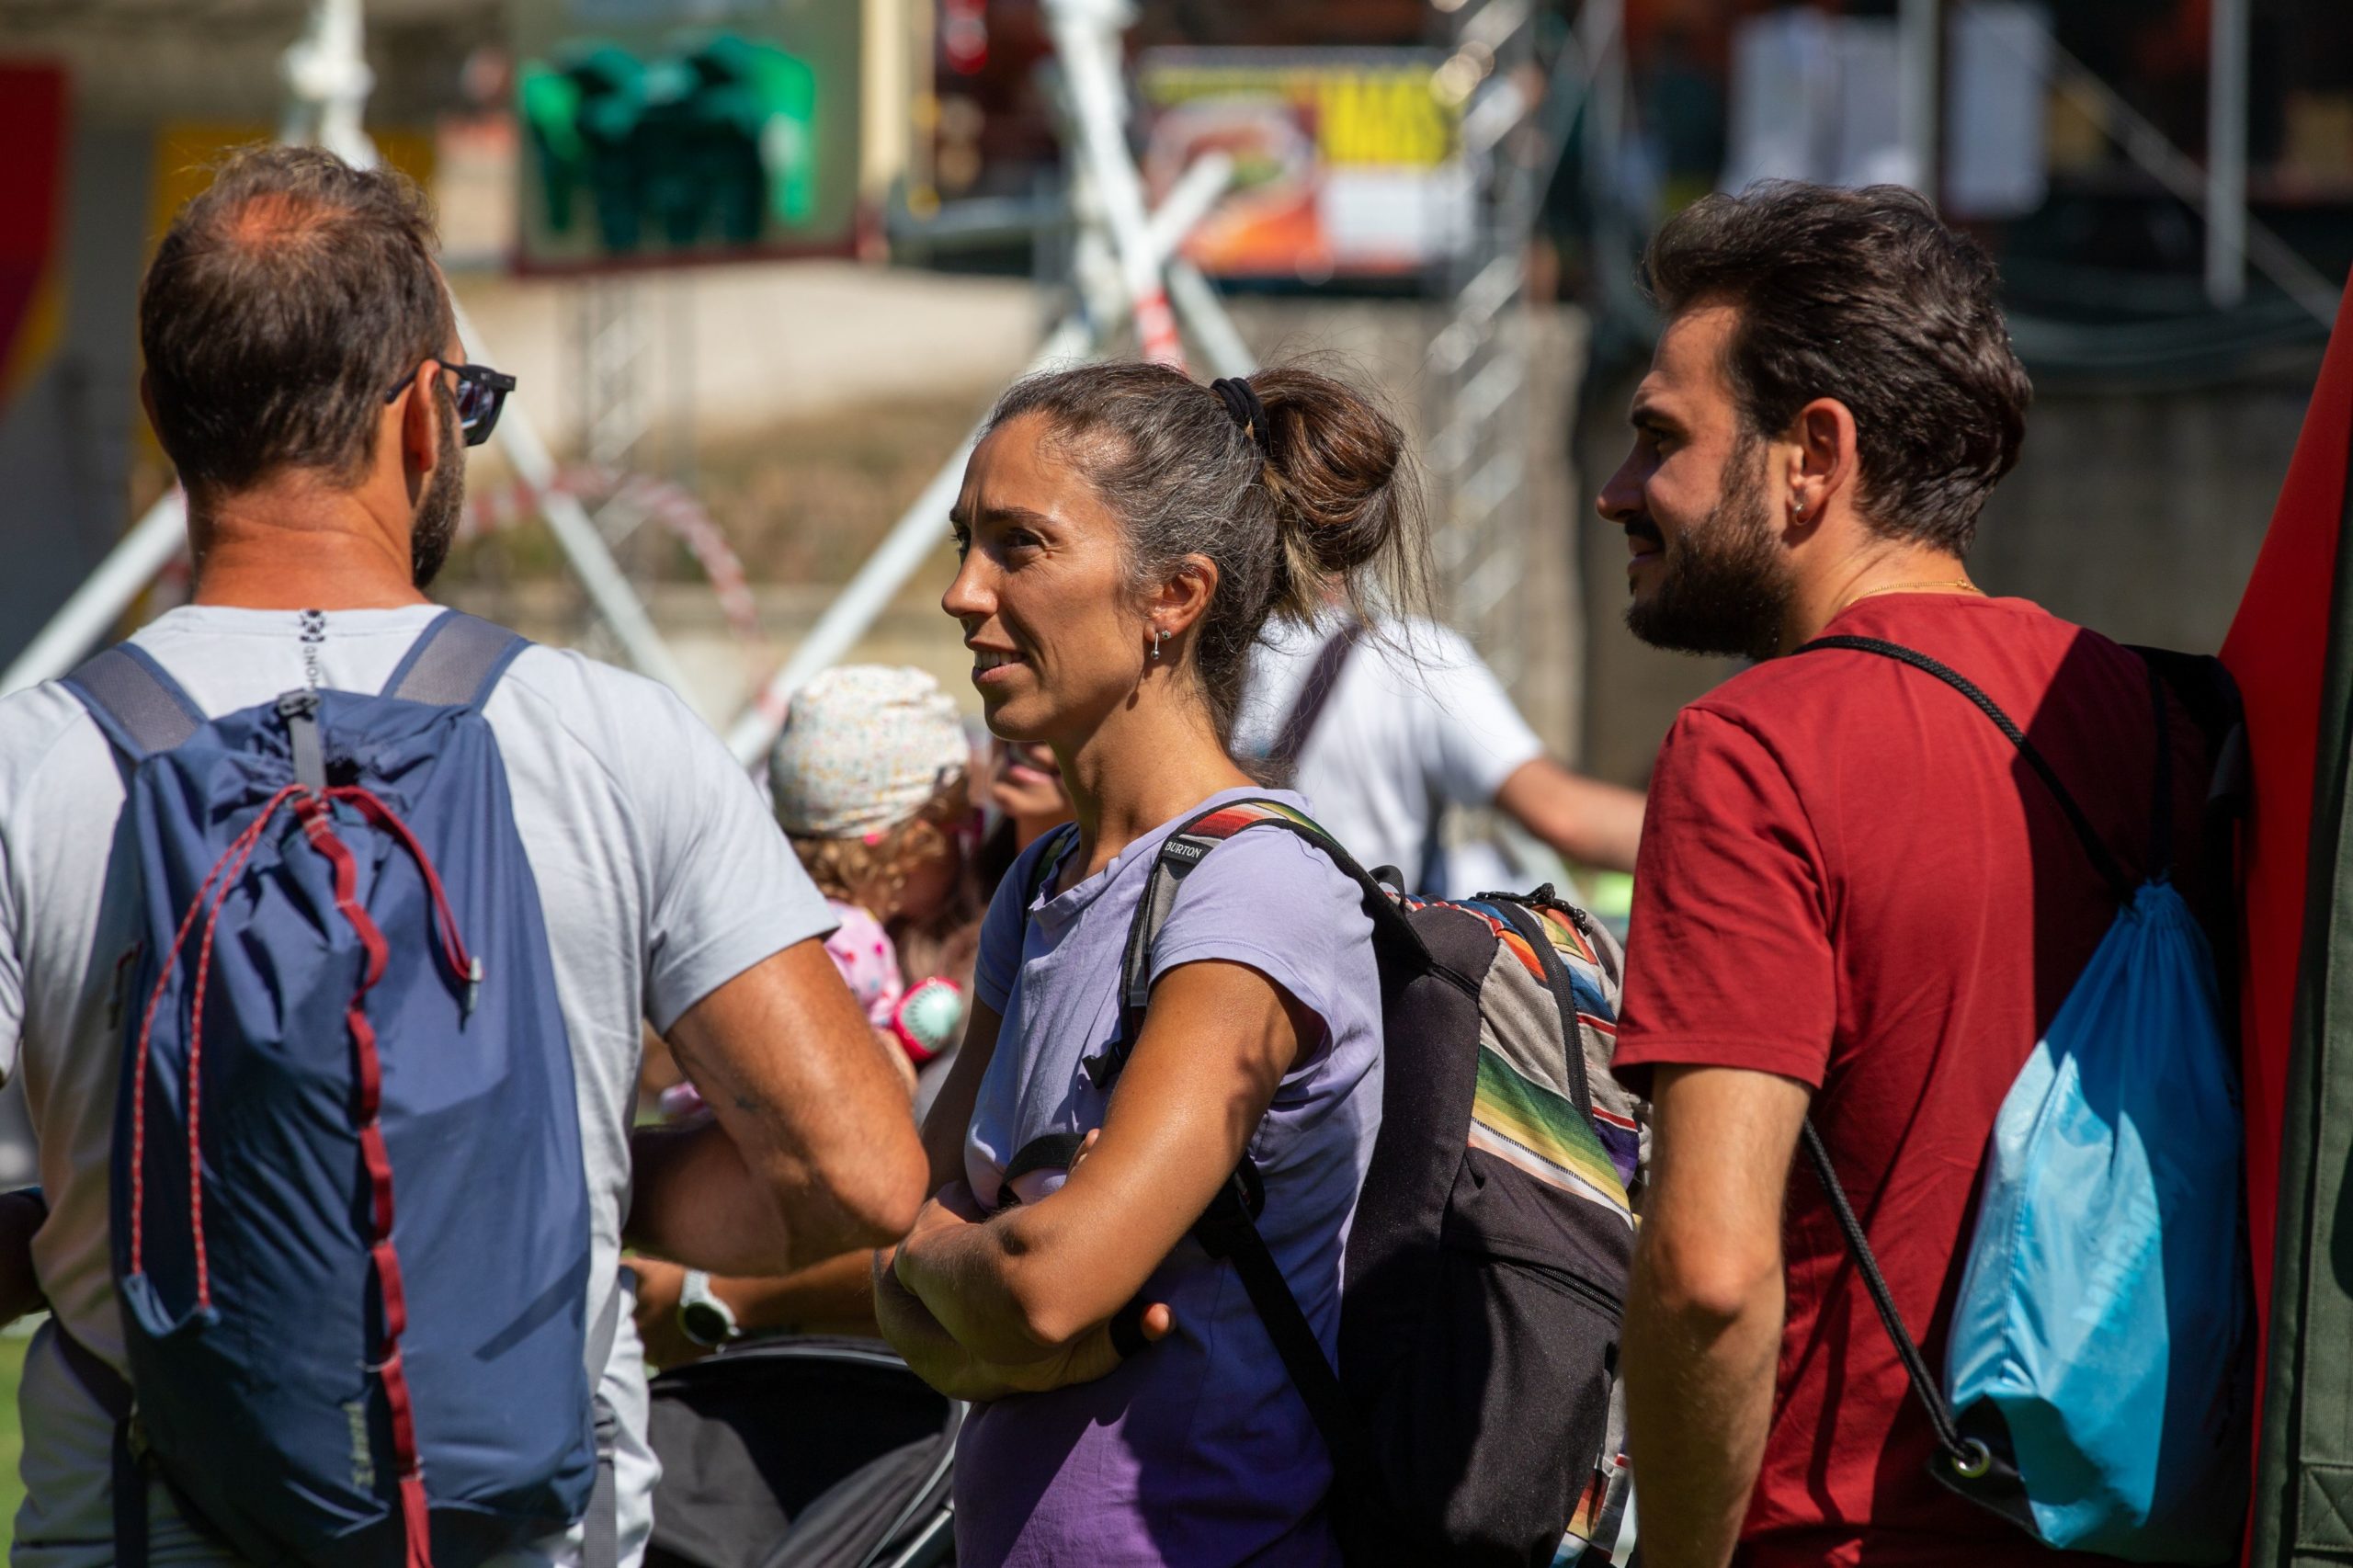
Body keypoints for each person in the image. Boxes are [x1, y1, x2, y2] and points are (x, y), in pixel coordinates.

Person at [0, 145, 925, 1566]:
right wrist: (540, 1168)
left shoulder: (30, 762)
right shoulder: (613, 738)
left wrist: (134, 1216)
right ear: (424, 415)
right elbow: (857, 1171)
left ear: (163, 412)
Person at [1600, 181, 2208, 1568]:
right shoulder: (2167, 722)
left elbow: (1708, 1275)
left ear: (1814, 455)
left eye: (1661, 438)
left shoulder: (1752, 749)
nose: (1619, 488)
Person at [877, 360, 1418, 1565]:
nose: (963, 593)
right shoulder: (1039, 881)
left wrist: (965, 1267)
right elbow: (910, 1262)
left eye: (1020, 545)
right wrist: (966, 1275)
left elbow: (1049, 1282)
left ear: (1172, 595)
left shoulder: (1254, 890)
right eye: (965, 542)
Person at [1233, 609, 1647, 892]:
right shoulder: (1409, 657)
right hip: (1373, 973)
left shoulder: (1216, 650)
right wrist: (1687, 835)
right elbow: (1561, 814)